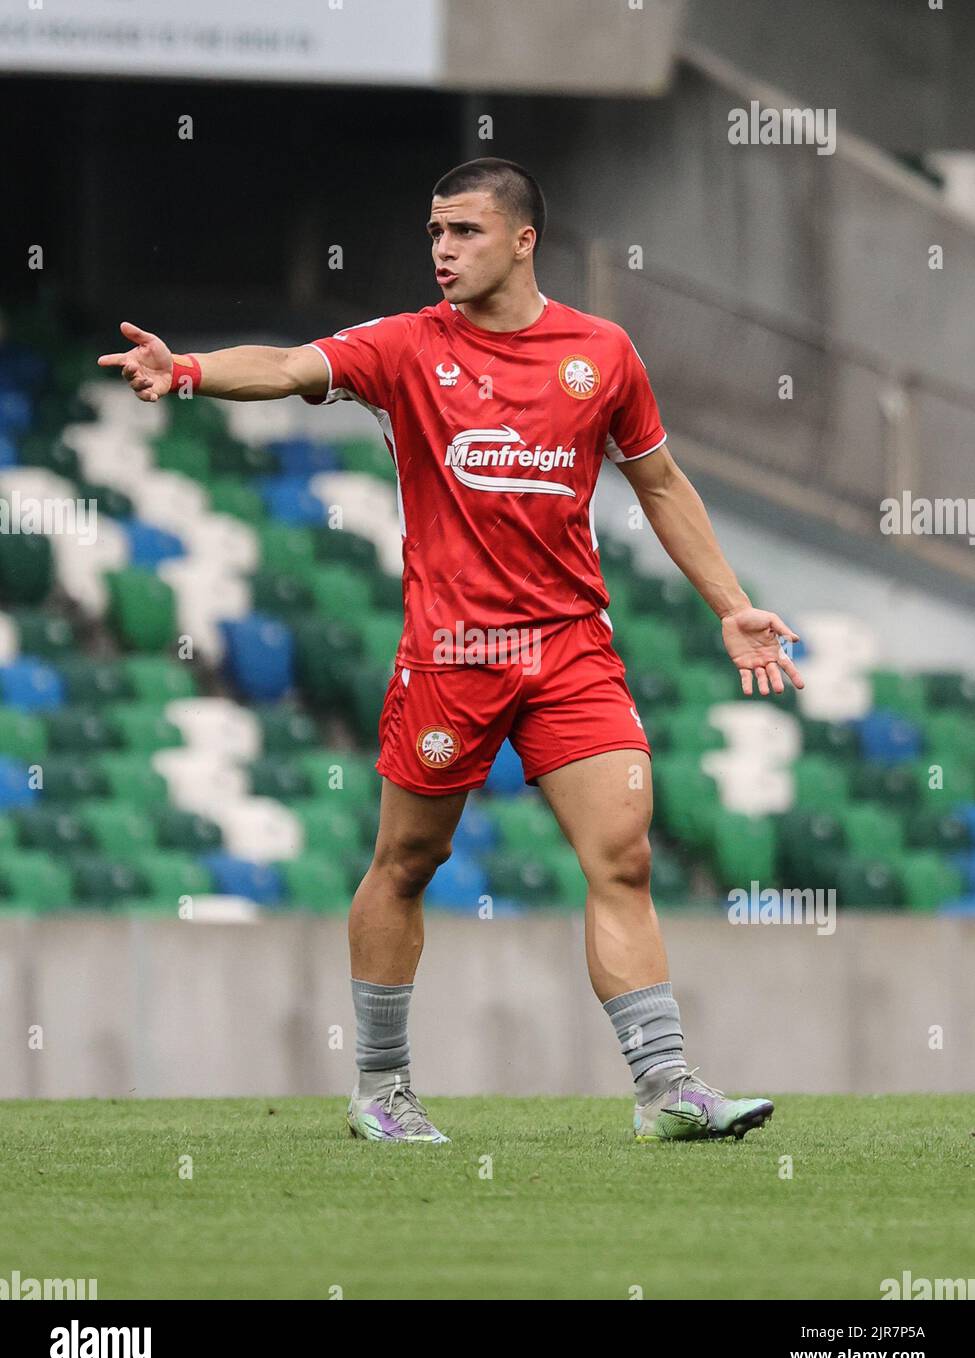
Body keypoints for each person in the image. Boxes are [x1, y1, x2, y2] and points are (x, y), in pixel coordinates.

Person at [99, 157, 803, 1144]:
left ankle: (665, 1088)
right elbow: (295, 364)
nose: (441, 250)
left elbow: (662, 483)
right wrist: (189, 371)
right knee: (406, 860)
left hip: (570, 650)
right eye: (434, 231)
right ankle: (381, 1087)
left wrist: (731, 604)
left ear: (523, 239)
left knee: (623, 855)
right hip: (452, 654)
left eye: (464, 231)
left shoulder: (600, 354)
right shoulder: (405, 347)